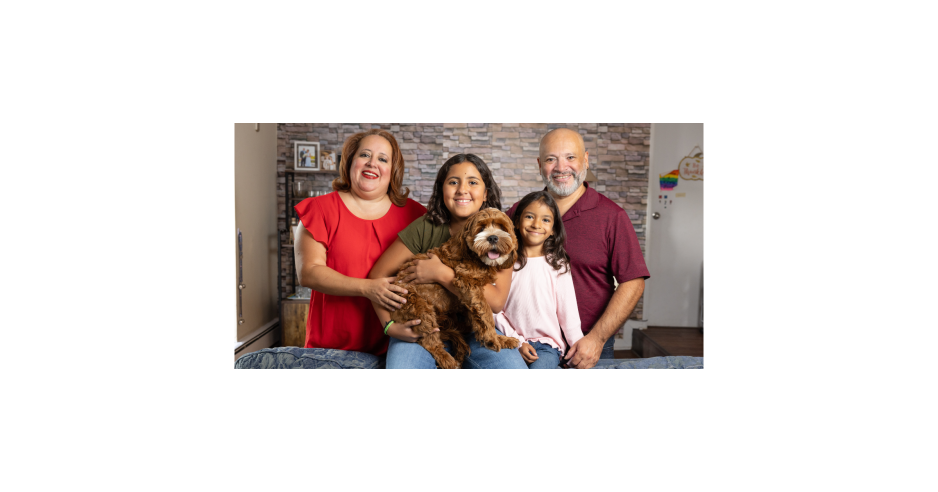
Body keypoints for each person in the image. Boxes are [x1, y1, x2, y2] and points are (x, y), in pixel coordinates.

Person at [507, 128, 650, 369]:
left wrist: (596, 339)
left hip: (586, 345)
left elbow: (633, 282)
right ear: (540, 164)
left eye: (570, 157)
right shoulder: (519, 213)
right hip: (527, 347)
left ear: (585, 160)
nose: (561, 167)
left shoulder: (611, 216)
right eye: (552, 159)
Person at [368, 153, 527, 369]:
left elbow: (496, 302)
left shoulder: (499, 232)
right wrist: (389, 326)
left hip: (474, 328)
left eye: (473, 182)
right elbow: (377, 277)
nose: (462, 189)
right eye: (453, 182)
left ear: (485, 192)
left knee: (513, 369)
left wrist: (440, 274)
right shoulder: (426, 227)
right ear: (442, 190)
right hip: (422, 326)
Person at [293, 129, 426, 357]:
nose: (372, 163)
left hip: (397, 347)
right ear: (350, 162)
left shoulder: (416, 215)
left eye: (382, 159)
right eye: (365, 155)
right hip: (331, 349)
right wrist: (368, 288)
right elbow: (309, 273)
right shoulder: (320, 210)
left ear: (392, 170)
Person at [496, 191, 583, 369]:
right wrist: (518, 342)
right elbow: (494, 310)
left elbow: (569, 314)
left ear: (553, 230)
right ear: (518, 221)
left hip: (547, 347)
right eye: (530, 216)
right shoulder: (504, 262)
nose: (536, 224)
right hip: (510, 343)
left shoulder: (558, 265)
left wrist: (578, 350)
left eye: (545, 220)